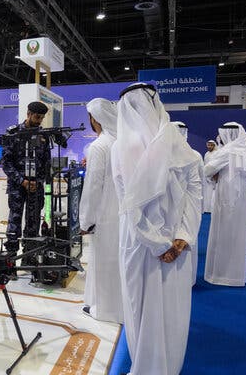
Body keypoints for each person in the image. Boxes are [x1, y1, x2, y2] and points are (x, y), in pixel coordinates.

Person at [111, 83, 202, 375]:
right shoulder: (176, 143)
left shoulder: (125, 145)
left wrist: (170, 241)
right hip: (164, 245)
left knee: (153, 309)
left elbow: (130, 202)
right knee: (159, 308)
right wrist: (180, 238)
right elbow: (193, 192)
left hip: (146, 244)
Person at [78, 98, 122, 323]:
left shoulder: (99, 146)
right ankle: (114, 305)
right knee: (117, 261)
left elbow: (93, 187)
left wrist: (85, 221)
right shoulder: (121, 141)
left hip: (105, 212)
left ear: (94, 118)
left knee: (103, 261)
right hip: (123, 212)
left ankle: (104, 309)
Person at [204, 122, 246, 287]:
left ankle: (220, 275)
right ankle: (236, 276)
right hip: (243, 202)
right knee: (238, 234)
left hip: (225, 199)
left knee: (223, 233)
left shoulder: (225, 152)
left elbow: (207, 170)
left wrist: (214, 176)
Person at [0, 101, 50, 253]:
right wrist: (22, 181)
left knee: (33, 222)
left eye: (41, 118)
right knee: (14, 221)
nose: (39, 121)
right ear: (28, 114)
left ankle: (30, 257)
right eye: (36, 117)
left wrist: (38, 181)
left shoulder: (43, 136)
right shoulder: (13, 133)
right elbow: (6, 163)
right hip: (17, 186)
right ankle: (11, 258)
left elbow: (46, 163)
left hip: (36, 186)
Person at [172, 121, 204, 286]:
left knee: (186, 239)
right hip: (180, 206)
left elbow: (198, 183)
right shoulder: (195, 154)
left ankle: (187, 279)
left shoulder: (194, 155)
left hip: (187, 205)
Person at [203, 139, 218, 213]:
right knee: (207, 191)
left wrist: (214, 174)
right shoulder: (206, 154)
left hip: (213, 175)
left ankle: (212, 209)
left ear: (214, 145)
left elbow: (216, 165)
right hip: (206, 175)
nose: (209, 146)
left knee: (213, 192)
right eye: (208, 145)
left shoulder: (216, 153)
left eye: (211, 145)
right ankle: (206, 208)